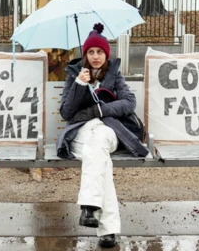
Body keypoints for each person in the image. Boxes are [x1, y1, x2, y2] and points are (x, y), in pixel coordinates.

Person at [56, 23, 149, 248]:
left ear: (106, 54)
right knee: (99, 158)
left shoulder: (114, 75)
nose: (96, 56)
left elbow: (129, 102)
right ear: (85, 55)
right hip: (81, 133)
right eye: (91, 52)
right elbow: (66, 112)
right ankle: (107, 230)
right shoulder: (75, 76)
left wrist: (101, 110)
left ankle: (89, 207)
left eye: (100, 52)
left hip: (108, 130)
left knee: (98, 144)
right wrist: (79, 84)